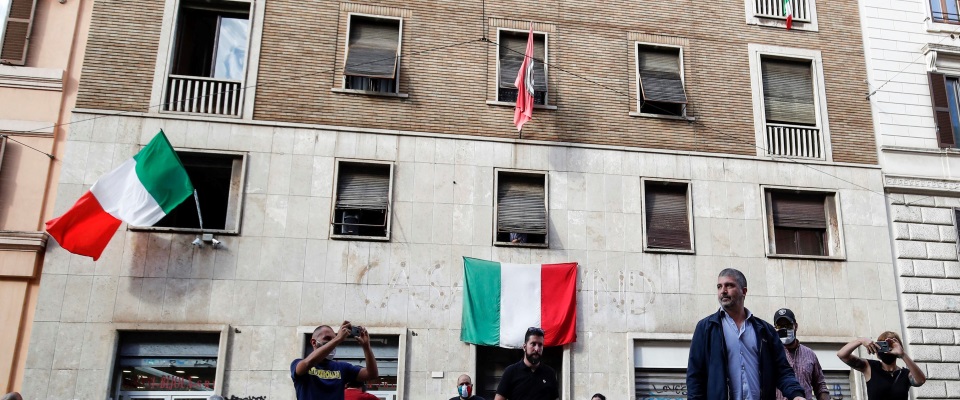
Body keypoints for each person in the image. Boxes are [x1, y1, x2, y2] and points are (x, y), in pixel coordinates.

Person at [686, 268, 805, 400]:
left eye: (729, 285)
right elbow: (695, 377)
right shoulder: (706, 328)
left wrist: (796, 395)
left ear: (744, 291)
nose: (723, 291)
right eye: (719, 287)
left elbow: (782, 371)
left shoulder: (765, 331)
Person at [291, 321, 379, 400]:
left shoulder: (342, 368)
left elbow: (372, 374)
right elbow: (307, 364)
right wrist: (338, 339)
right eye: (327, 339)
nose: (333, 343)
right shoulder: (298, 363)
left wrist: (366, 347)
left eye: (333, 339)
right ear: (314, 342)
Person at [837, 331, 925, 400]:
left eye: (891, 346)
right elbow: (842, 355)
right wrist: (860, 340)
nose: (887, 350)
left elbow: (920, 380)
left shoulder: (905, 374)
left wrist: (902, 354)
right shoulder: (870, 367)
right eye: (883, 345)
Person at [772, 308, 829, 400]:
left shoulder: (810, 354)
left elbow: (820, 386)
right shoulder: (771, 354)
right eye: (780, 326)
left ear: (796, 326)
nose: (784, 329)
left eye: (788, 325)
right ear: (775, 329)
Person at [494, 327, 559, 400]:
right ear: (524, 347)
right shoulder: (511, 372)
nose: (537, 349)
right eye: (533, 344)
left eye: (540, 345)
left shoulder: (550, 373)